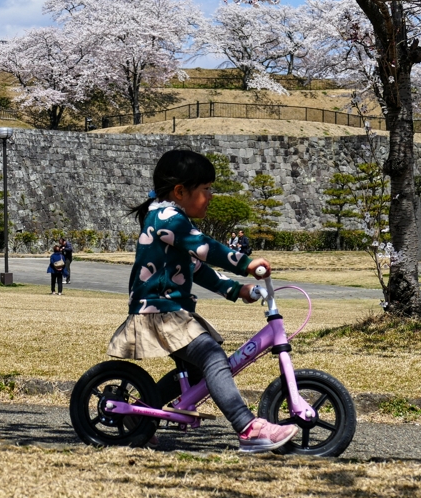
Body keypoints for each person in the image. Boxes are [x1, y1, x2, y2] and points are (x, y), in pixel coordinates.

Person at [107, 148, 298, 453]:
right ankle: (247, 427)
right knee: (211, 357)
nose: (211, 196)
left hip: (171, 311)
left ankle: (142, 413)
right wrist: (244, 261)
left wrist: (237, 290)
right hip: (160, 312)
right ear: (180, 191)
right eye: (206, 189)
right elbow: (204, 246)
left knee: (198, 371)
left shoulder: (168, 218)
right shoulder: (167, 217)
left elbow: (198, 268)